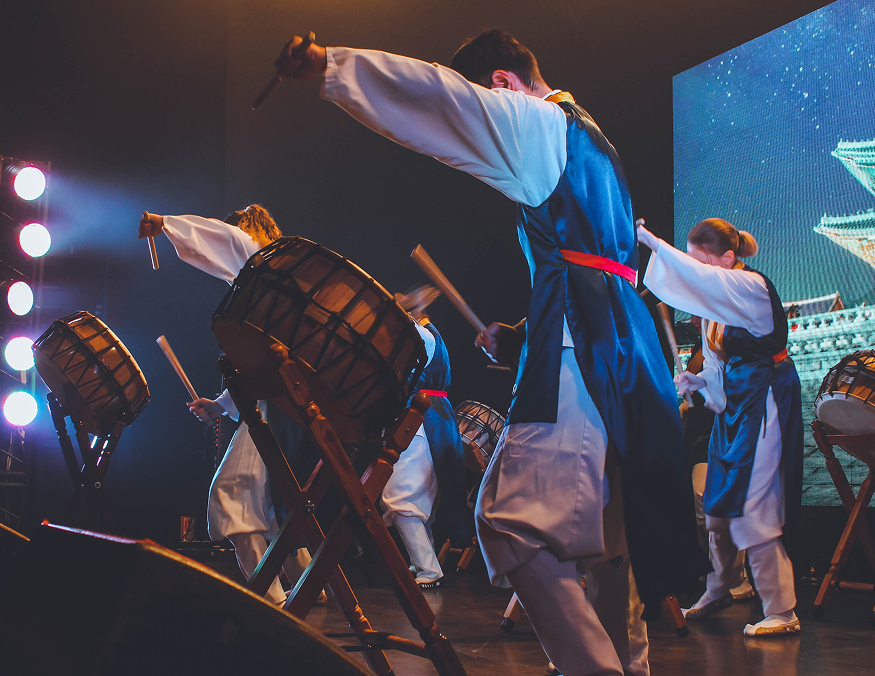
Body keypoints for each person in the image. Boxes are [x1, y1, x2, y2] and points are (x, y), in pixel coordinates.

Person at [273, 29, 704, 675]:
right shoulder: (591, 139)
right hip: (617, 338)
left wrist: (332, 65)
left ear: (501, 83)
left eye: (487, 95)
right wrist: (523, 334)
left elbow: (442, 101)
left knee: (509, 523)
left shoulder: (538, 117)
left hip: (585, 340)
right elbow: (589, 265)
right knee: (614, 538)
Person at [138, 205, 317, 606]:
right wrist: (219, 406)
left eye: (239, 226)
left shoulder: (257, 260)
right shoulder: (273, 282)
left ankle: (270, 596)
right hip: (278, 403)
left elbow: (226, 238)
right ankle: (307, 582)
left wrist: (166, 224)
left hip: (272, 407)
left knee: (232, 497)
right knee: (268, 503)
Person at [638, 219, 803, 637]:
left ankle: (782, 609)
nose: (697, 270)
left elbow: (700, 280)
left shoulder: (752, 287)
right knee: (717, 504)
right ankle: (720, 587)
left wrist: (653, 243)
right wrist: (699, 382)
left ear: (728, 259)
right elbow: (718, 366)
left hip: (765, 399)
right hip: (734, 407)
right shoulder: (715, 314)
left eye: (702, 260)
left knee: (755, 506)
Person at [383, 286, 468, 589]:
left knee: (401, 497)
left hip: (420, 420)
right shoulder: (427, 333)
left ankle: (429, 570)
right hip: (429, 419)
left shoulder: (420, 335)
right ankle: (423, 564)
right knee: (413, 498)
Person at [681, 317, 756, 606]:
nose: (690, 319)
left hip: (724, 432)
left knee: (717, 504)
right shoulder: (703, 349)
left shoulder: (728, 347)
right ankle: (716, 573)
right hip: (702, 435)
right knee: (702, 507)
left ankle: (736, 579)